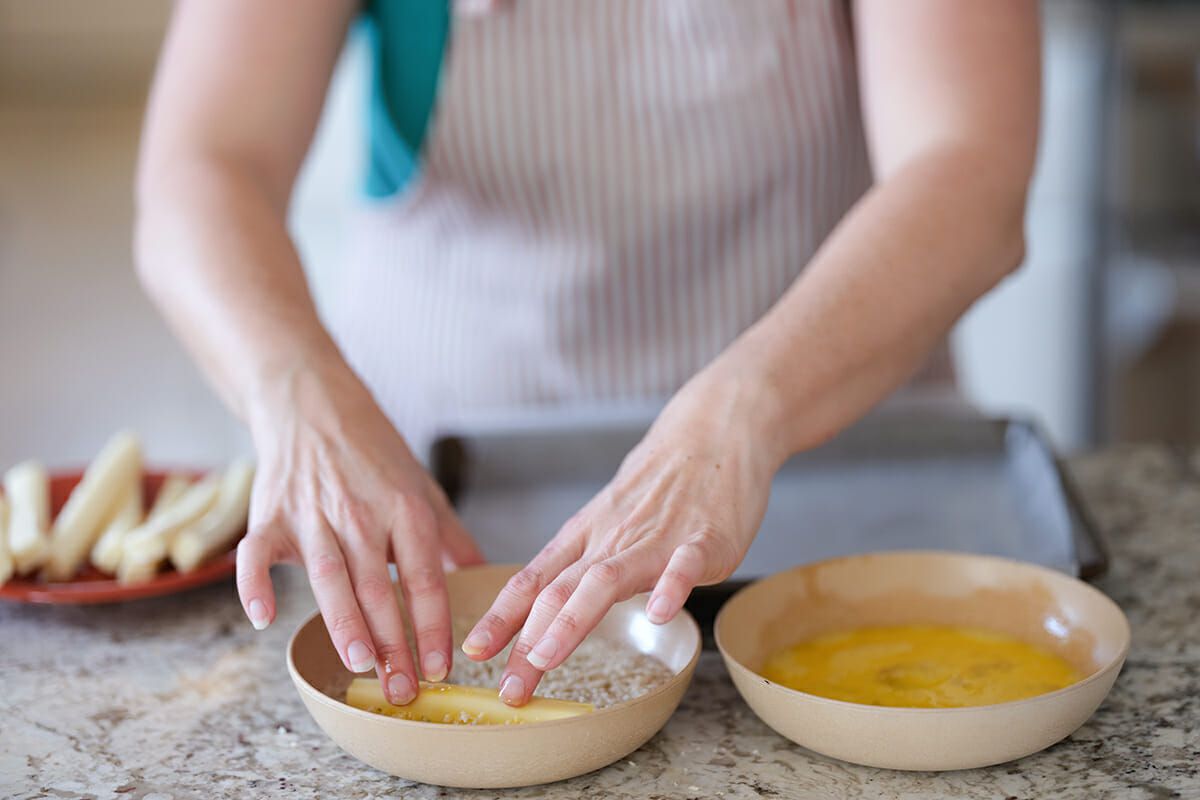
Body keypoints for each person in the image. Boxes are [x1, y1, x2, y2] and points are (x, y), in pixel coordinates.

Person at [135, 0, 1039, 708]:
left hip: (827, 475)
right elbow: (205, 164)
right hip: (448, 507)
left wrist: (745, 409)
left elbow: (970, 167)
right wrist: (298, 390)